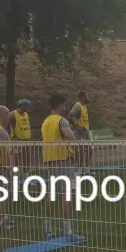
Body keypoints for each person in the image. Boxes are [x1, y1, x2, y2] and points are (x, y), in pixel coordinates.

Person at [42, 93, 78, 240]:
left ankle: (48, 228)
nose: (65, 107)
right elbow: (71, 137)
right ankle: (68, 230)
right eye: (63, 105)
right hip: (63, 159)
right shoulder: (61, 121)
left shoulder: (46, 122)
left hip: (49, 159)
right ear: (60, 105)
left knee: (51, 194)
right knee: (67, 194)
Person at [69, 91, 92, 175]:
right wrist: (76, 125)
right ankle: (78, 171)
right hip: (80, 132)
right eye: (87, 96)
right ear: (83, 97)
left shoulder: (84, 106)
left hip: (86, 131)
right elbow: (71, 115)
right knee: (81, 152)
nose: (88, 98)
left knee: (89, 150)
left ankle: (86, 170)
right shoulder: (77, 105)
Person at [9, 99, 32, 167]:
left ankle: (26, 174)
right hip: (17, 140)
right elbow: (8, 127)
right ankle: (15, 174)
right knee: (16, 158)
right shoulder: (12, 114)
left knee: (27, 158)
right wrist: (13, 137)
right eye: (28, 106)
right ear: (23, 106)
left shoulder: (26, 114)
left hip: (26, 139)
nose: (29, 108)